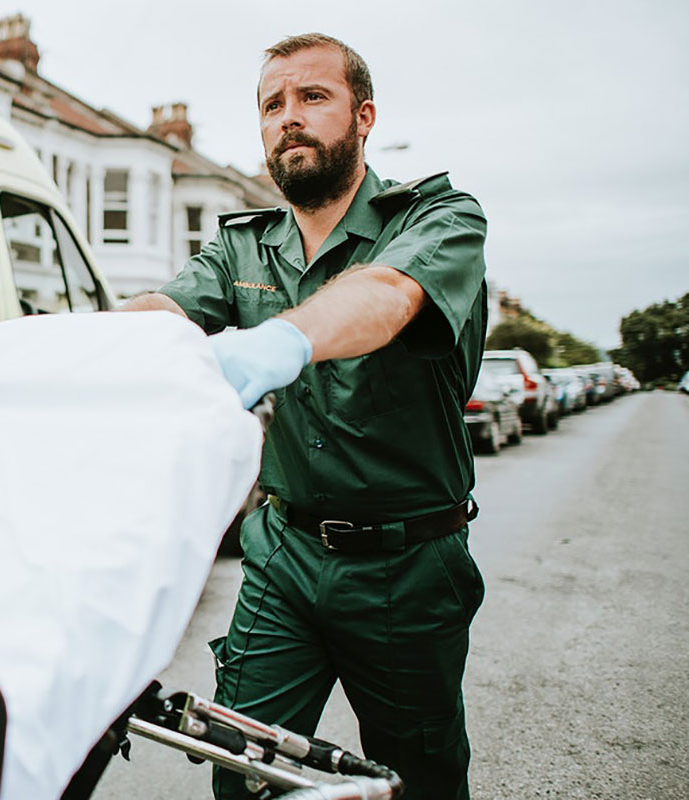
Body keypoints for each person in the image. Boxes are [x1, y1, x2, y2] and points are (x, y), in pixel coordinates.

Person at [121, 33, 488, 800]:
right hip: (282, 555)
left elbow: (387, 294)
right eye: (271, 105)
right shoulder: (243, 248)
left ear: (364, 117)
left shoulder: (438, 217)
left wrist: (278, 341)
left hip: (406, 564)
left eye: (313, 97)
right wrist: (71, 348)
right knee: (242, 770)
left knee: (417, 777)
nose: (288, 116)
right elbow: (159, 312)